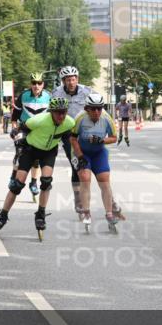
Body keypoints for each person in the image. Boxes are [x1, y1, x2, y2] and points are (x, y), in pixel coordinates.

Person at [0, 97, 75, 239]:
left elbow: (68, 142)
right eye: (58, 112)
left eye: (64, 112)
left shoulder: (69, 122)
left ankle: (40, 214)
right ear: (51, 112)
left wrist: (73, 159)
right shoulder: (39, 120)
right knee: (17, 185)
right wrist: (17, 134)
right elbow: (22, 127)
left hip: (49, 152)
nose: (61, 116)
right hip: (30, 149)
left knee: (46, 182)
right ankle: (2, 216)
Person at [71, 93, 121, 231]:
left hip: (99, 153)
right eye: (93, 109)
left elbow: (114, 138)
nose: (96, 111)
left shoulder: (106, 118)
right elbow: (73, 139)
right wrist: (80, 156)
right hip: (83, 153)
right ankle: (86, 211)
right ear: (87, 108)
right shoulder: (80, 118)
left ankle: (109, 214)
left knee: (104, 181)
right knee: (85, 178)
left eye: (99, 108)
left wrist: (102, 140)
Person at [51, 65, 93, 215]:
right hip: (68, 133)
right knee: (76, 165)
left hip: (85, 131)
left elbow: (97, 107)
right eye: (68, 80)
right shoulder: (56, 93)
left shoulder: (87, 91)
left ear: (77, 79)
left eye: (73, 79)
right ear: (63, 81)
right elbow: (51, 114)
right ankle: (78, 199)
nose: (71, 82)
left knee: (89, 166)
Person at [10, 72, 51, 199]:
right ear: (30, 84)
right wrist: (14, 129)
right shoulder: (23, 96)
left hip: (40, 130)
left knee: (36, 158)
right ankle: (13, 176)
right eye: (34, 83)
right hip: (24, 128)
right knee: (20, 153)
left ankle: (33, 182)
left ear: (43, 84)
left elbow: (52, 116)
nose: (36, 86)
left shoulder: (49, 97)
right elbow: (14, 117)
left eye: (39, 83)